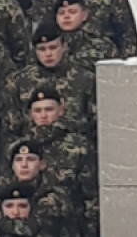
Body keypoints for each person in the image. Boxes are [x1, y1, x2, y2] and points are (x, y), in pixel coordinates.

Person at [0, 21, 98, 139]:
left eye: (53, 48)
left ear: (64, 46)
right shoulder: (19, 81)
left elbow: (96, 123)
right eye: (42, 49)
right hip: (32, 146)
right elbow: (11, 126)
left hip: (74, 145)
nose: (48, 54)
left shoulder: (85, 79)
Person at [23, 87, 98, 237]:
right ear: (30, 114)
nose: (43, 115)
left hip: (68, 227)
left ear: (61, 110)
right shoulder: (19, 146)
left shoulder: (78, 146)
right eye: (37, 111)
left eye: (49, 109)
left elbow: (91, 194)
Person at [0, 140, 77, 237]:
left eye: (30, 159)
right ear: (12, 165)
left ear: (42, 164)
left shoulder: (53, 192)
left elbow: (32, 226)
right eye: (19, 160)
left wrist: (0, 222)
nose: (24, 165)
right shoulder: (1, 187)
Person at [51, 0, 119, 71]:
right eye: (61, 13)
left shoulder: (101, 45)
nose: (66, 16)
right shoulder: (49, 44)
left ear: (84, 15)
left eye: (72, 12)